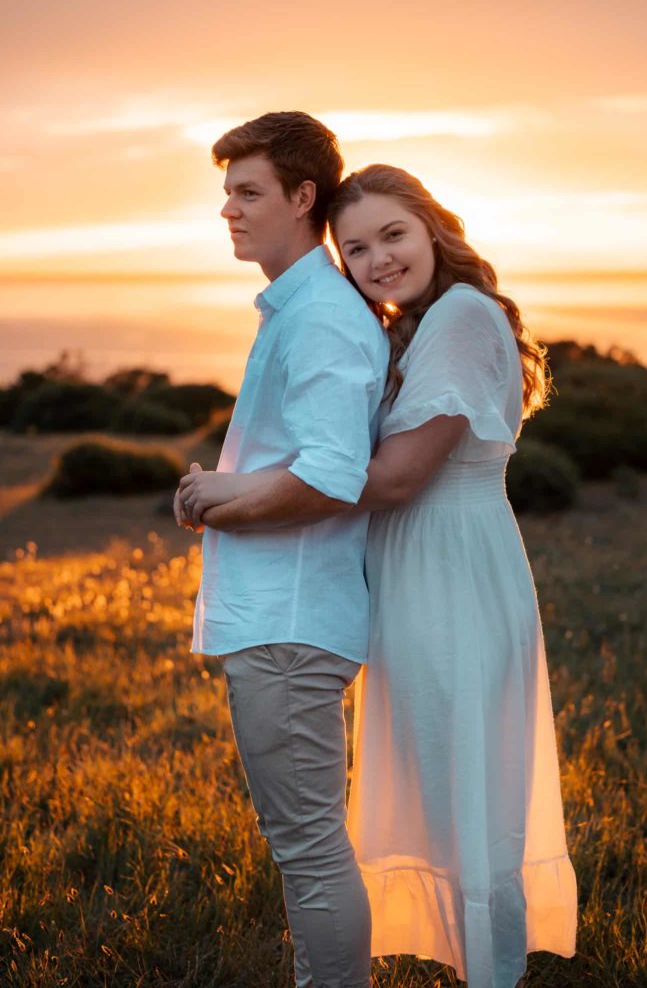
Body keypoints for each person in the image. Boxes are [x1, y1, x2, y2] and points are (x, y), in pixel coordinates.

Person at [182, 163, 578, 988]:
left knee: (467, 796)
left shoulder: (464, 316)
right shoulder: (426, 322)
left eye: (392, 235)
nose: (376, 260)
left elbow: (394, 479)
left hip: (452, 579)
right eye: (355, 247)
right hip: (421, 576)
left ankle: (491, 973)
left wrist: (238, 489)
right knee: (447, 791)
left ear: (433, 227)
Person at [176, 115, 389, 988]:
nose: (228, 209)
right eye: (226, 192)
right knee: (300, 840)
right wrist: (221, 489)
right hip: (281, 620)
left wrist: (218, 503)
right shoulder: (297, 308)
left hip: (293, 628)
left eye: (248, 192)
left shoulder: (324, 320)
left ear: (305, 198)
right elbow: (306, 461)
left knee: (305, 844)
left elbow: (333, 476)